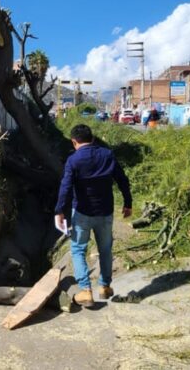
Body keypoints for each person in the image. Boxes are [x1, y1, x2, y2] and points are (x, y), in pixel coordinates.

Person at [54, 124, 133, 307]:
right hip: (105, 212)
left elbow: (65, 187)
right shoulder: (107, 155)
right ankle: (105, 286)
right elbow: (122, 180)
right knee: (105, 249)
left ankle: (85, 290)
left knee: (78, 249)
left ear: (74, 142)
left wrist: (59, 210)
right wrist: (128, 203)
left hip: (82, 212)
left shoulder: (73, 160)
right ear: (93, 138)